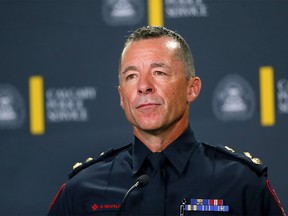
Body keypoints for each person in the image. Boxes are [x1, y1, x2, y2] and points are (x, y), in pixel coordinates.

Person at [48, 26, 285, 215]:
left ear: (191, 89)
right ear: (122, 97)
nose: (144, 86)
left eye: (159, 72)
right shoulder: (80, 191)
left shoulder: (241, 184)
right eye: (131, 76)